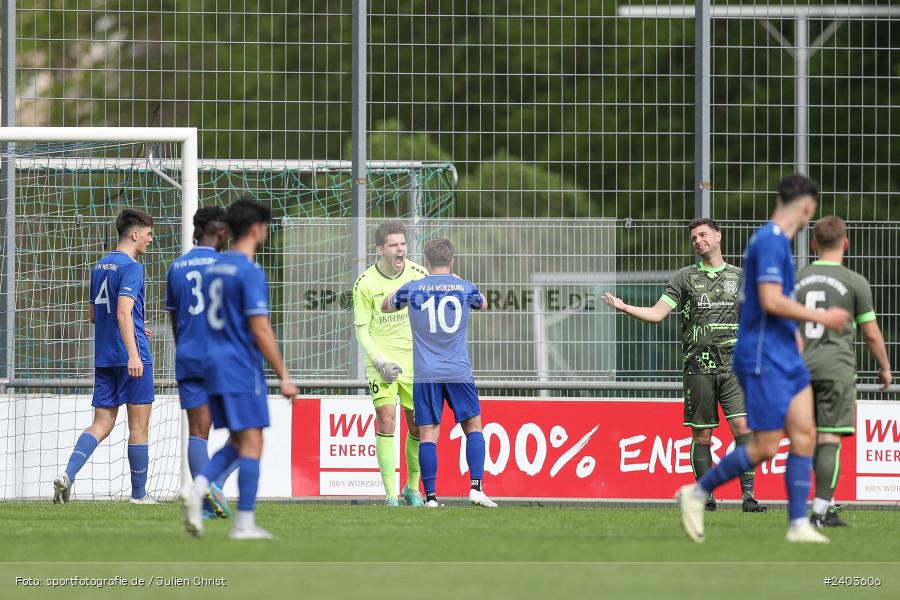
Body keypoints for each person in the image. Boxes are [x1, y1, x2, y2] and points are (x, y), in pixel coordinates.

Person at [676, 174, 850, 544]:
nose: (810, 218)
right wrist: (822, 317)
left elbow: (774, 308)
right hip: (761, 356)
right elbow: (771, 301)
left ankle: (798, 524)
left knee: (806, 434)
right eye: (812, 210)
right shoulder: (769, 242)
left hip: (786, 354)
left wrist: (799, 351)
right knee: (765, 446)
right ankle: (696, 493)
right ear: (806, 205)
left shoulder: (779, 244)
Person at [602, 218, 766, 512]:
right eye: (694, 238)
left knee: (743, 428)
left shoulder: (742, 277)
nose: (698, 240)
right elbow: (657, 313)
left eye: (703, 234)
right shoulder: (685, 277)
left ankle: (749, 498)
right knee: (703, 434)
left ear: (718, 235)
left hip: (735, 370)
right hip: (698, 369)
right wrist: (624, 307)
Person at [178, 198, 297, 539]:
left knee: (240, 439)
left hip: (211, 363)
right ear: (258, 229)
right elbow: (259, 327)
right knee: (252, 443)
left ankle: (198, 486)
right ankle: (243, 524)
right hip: (240, 365)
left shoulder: (214, 267)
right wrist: (283, 375)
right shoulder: (249, 271)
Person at [382, 238, 496, 508]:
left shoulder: (414, 287)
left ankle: (431, 497)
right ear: (452, 261)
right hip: (458, 370)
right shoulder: (464, 287)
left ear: (426, 261)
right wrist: (458, 280)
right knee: (473, 427)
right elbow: (484, 304)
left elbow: (385, 305)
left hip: (426, 373)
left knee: (428, 434)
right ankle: (476, 488)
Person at [794, 215, 892, 528]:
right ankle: (821, 512)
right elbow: (872, 333)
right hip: (835, 368)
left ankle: (819, 505)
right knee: (829, 439)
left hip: (799, 369)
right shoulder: (854, 281)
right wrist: (885, 367)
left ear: (813, 245)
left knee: (809, 439)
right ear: (845, 243)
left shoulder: (797, 279)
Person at [54, 209, 156, 504]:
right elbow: (123, 311)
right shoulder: (132, 267)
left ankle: (67, 475)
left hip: (104, 357)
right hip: (131, 358)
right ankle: (139, 495)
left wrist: (136, 326)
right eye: (148, 234)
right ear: (135, 235)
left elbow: (94, 315)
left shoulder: (99, 266)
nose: (151, 240)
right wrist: (134, 354)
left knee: (101, 424)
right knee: (138, 427)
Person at [166, 206, 236, 519]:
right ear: (220, 232)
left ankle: (205, 503)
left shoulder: (177, 267)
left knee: (198, 432)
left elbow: (174, 318)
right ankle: (215, 485)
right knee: (248, 430)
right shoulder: (228, 265)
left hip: (188, 355)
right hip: (221, 356)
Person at [352, 221, 427, 506]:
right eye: (394, 245)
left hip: (414, 362)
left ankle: (411, 488)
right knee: (386, 419)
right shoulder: (365, 283)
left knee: (418, 427)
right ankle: (390, 495)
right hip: (381, 362)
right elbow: (361, 330)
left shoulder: (419, 275)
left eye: (403, 244)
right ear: (380, 250)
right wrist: (380, 361)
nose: (401, 249)